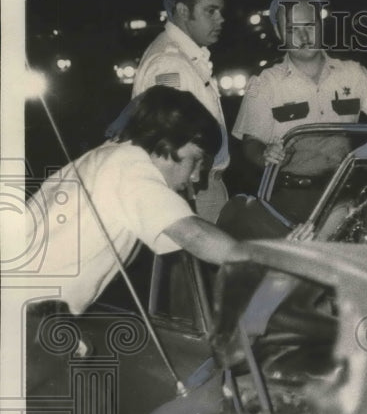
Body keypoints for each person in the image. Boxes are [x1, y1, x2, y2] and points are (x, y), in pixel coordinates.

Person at [28, 86, 249, 316]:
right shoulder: (130, 168)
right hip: (31, 311)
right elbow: (194, 235)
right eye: (195, 161)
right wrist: (265, 263)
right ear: (168, 143)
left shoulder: (109, 156)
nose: (195, 177)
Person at [232, 0, 367, 175]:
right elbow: (251, 143)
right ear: (279, 33)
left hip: (343, 186)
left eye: (310, 26)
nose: (303, 36)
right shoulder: (265, 82)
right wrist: (266, 154)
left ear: (321, 24)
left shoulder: (352, 73)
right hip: (289, 192)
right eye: (293, 29)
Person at [126, 0, 232, 222]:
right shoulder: (171, 64)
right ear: (184, 11)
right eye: (210, 11)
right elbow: (171, 148)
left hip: (199, 185)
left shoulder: (188, 56)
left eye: (221, 11)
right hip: (190, 191)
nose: (221, 19)